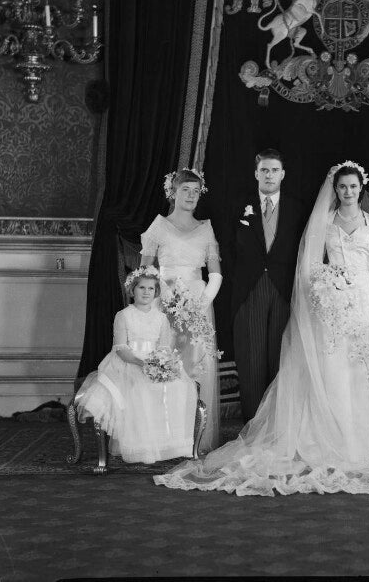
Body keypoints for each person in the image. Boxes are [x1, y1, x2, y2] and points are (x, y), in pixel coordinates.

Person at [153, 161, 369, 496]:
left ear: (361, 188)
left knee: (364, 372)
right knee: (334, 371)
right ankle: (331, 438)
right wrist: (323, 292)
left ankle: (365, 441)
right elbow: (310, 267)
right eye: (342, 187)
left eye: (353, 186)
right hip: (332, 306)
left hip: (365, 305)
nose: (348, 192)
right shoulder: (323, 222)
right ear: (335, 190)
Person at [75, 266, 198, 463]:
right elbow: (121, 349)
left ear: (156, 292)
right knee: (140, 389)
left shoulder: (161, 318)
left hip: (156, 362)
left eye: (151, 289)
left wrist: (162, 365)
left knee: (180, 387)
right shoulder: (123, 315)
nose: (146, 292)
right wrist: (144, 363)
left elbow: (164, 347)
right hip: (129, 362)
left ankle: (167, 444)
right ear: (132, 290)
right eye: (142, 288)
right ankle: (140, 447)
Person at [139, 168, 222, 452]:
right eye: (185, 190)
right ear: (172, 193)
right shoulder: (159, 227)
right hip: (165, 304)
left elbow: (216, 274)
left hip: (199, 305)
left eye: (196, 191)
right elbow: (145, 271)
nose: (191, 196)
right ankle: (163, 436)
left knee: (195, 367)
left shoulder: (206, 228)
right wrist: (164, 298)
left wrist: (201, 303)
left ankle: (193, 437)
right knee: (167, 366)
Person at [232, 149, 307, 422]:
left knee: (280, 359)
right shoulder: (239, 204)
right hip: (249, 289)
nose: (269, 175)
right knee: (251, 361)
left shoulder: (297, 208)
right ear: (256, 173)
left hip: (284, 290)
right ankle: (253, 426)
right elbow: (228, 250)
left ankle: (277, 425)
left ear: (283, 174)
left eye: (274, 170)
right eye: (264, 170)